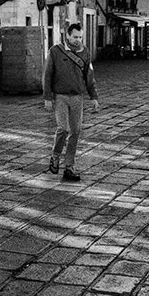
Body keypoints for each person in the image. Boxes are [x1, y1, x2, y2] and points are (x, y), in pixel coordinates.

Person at [43, 22, 100, 182]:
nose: (78, 40)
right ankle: (55, 156)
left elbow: (90, 76)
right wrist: (47, 97)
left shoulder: (85, 53)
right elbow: (47, 75)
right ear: (67, 35)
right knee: (63, 128)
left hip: (77, 97)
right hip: (60, 96)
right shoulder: (55, 51)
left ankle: (69, 167)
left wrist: (94, 97)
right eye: (75, 37)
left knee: (75, 131)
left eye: (80, 37)